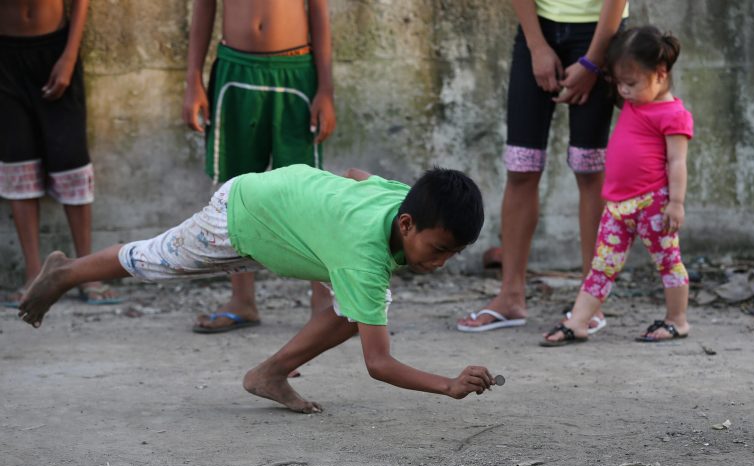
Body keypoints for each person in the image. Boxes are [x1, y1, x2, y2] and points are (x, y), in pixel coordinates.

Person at [18, 164, 498, 411]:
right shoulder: (364, 258)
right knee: (154, 260)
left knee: (355, 308)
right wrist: (448, 386)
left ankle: (268, 375)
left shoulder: (400, 199)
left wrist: (317, 212)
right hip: (241, 216)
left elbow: (354, 176)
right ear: (408, 224)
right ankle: (66, 272)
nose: (441, 263)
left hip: (280, 203)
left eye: (454, 253)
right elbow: (378, 363)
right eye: (437, 249)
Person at [457, 0, 628, 334]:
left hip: (599, 33)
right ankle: (510, 297)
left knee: (589, 167)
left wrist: (593, 63)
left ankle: (589, 302)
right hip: (539, 29)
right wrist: (536, 45)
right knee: (521, 166)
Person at [182, 0, 336, 334]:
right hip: (235, 71)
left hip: (296, 71)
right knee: (234, 194)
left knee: (307, 195)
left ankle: (322, 300)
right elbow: (204, 7)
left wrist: (326, 88)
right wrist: (193, 78)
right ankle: (242, 299)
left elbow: (319, 12)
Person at [540, 26, 693, 346]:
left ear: (660, 74)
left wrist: (676, 202)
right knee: (601, 266)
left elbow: (677, 162)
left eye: (631, 83)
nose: (623, 90)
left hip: (654, 203)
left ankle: (677, 320)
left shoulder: (673, 114)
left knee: (668, 262)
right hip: (617, 205)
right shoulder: (636, 101)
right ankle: (579, 322)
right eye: (619, 83)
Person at [0, 0, 120, 306]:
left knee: (71, 162)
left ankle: (86, 274)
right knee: (17, 162)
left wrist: (69, 55)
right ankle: (33, 276)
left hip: (55, 49)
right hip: (5, 56)